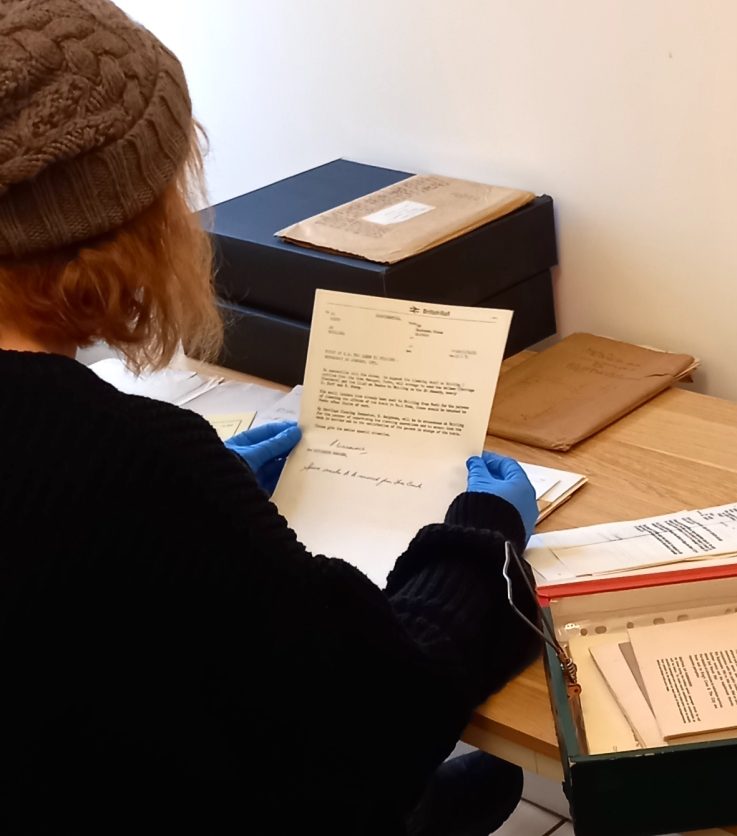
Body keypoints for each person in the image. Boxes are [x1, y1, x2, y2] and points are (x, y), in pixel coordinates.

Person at [0, 1, 541, 833]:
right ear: (126, 224)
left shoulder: (127, 462)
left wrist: (208, 515)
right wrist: (482, 542)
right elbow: (380, 710)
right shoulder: (134, 463)